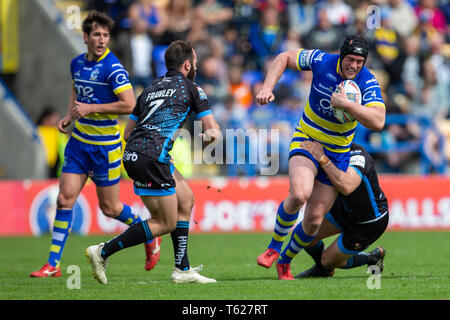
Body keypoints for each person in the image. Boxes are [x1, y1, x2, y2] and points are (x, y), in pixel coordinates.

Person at [30, 11, 160, 278]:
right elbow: (77, 90)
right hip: (79, 144)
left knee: (109, 208)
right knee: (64, 199)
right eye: (97, 35)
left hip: (105, 147)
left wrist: (92, 108)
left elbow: (129, 104)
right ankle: (53, 264)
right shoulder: (77, 63)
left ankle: (147, 233)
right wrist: (70, 115)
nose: (101, 40)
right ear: (86, 37)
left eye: (105, 35)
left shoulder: (113, 68)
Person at [85, 40, 221, 284]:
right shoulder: (192, 88)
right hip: (153, 158)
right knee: (165, 223)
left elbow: (128, 133)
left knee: (186, 199)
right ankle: (103, 251)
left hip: (136, 154)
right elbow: (211, 130)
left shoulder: (149, 89)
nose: (197, 66)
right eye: (196, 62)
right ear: (188, 64)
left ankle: (182, 268)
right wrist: (211, 137)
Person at [256, 35, 386, 280]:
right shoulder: (321, 60)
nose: (354, 65)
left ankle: (284, 262)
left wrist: (348, 105)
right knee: (299, 194)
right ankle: (274, 248)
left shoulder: (368, 81)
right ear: (341, 55)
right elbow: (284, 57)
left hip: (337, 153)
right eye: (350, 59)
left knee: (314, 219)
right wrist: (266, 87)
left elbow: (378, 121)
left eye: (360, 61)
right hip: (308, 138)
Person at [291, 141, 388, 278]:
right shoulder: (324, 148)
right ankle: (323, 270)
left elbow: (346, 186)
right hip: (342, 210)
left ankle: (371, 258)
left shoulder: (357, 155)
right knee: (305, 234)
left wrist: (321, 157)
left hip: (368, 222)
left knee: (327, 260)